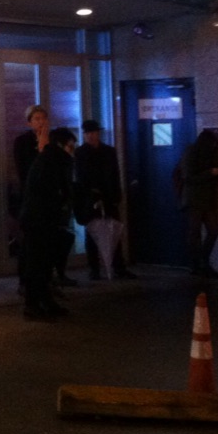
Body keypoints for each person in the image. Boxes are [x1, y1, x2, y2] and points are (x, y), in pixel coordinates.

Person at [13, 105, 76, 288]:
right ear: (29, 122)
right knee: (30, 245)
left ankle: (51, 279)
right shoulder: (23, 142)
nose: (41, 122)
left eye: (43, 118)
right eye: (37, 119)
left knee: (50, 242)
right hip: (33, 200)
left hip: (51, 201)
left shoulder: (54, 141)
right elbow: (26, 171)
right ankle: (27, 283)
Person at [20, 127, 78, 319]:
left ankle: (43, 302)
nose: (72, 150)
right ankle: (34, 305)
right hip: (41, 221)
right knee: (39, 264)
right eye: (70, 146)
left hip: (40, 219)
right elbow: (52, 192)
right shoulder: (53, 162)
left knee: (42, 264)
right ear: (61, 145)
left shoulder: (50, 160)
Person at [74, 119, 135, 280]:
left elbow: (115, 174)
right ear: (85, 135)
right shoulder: (81, 153)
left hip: (108, 197)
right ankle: (95, 268)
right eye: (89, 133)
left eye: (94, 133)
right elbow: (81, 178)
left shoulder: (109, 151)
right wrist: (93, 195)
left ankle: (118, 266)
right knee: (93, 233)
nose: (92, 136)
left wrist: (116, 196)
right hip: (91, 198)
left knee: (113, 231)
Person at [183, 129, 218, 277]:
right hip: (195, 198)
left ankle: (203, 260)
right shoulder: (192, 152)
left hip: (207, 198)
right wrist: (210, 174)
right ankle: (196, 264)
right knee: (195, 232)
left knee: (213, 231)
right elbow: (189, 177)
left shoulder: (211, 154)